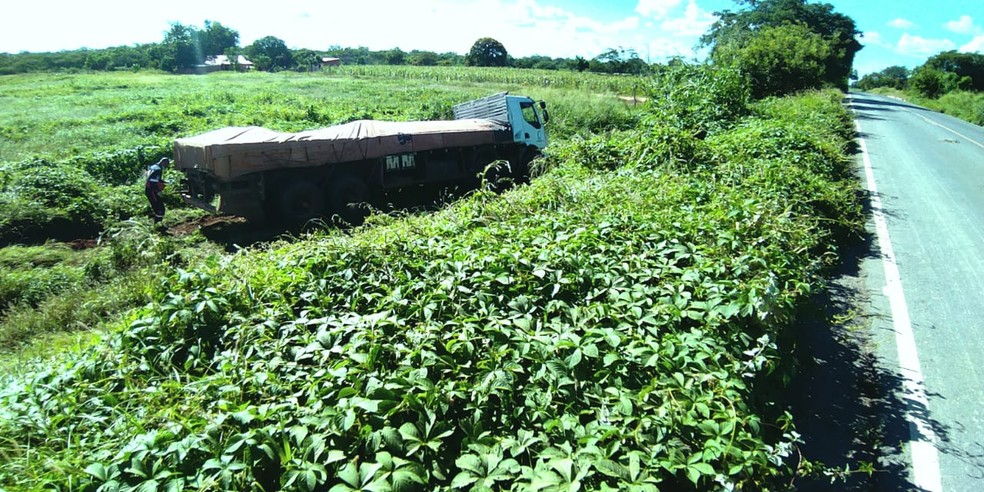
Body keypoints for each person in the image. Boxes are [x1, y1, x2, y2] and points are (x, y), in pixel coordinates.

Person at [145, 157, 169, 224]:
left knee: (157, 206)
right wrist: (158, 192)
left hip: (149, 190)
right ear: (163, 162)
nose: (166, 166)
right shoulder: (158, 170)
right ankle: (157, 225)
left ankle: (155, 220)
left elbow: (152, 178)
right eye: (166, 165)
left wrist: (163, 181)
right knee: (160, 209)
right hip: (152, 191)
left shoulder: (154, 167)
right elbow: (152, 181)